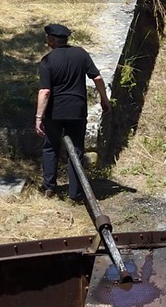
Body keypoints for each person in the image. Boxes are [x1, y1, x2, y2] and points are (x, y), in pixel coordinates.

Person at [34, 21, 111, 200]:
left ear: (51, 40)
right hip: (77, 109)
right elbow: (97, 77)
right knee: (76, 149)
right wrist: (104, 99)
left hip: (55, 112)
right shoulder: (81, 54)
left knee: (51, 147)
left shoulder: (47, 61)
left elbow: (45, 92)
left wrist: (39, 117)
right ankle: (75, 193)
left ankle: (49, 187)